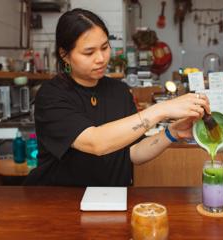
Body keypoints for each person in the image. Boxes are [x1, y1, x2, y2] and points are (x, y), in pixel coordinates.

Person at [24, 8, 210, 186]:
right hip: (60, 203)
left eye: (105, 47)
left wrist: (172, 132)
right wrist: (161, 109)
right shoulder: (51, 96)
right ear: (65, 55)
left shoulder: (119, 91)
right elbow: (96, 142)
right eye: (89, 52)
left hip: (112, 200)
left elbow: (134, 153)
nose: (101, 58)